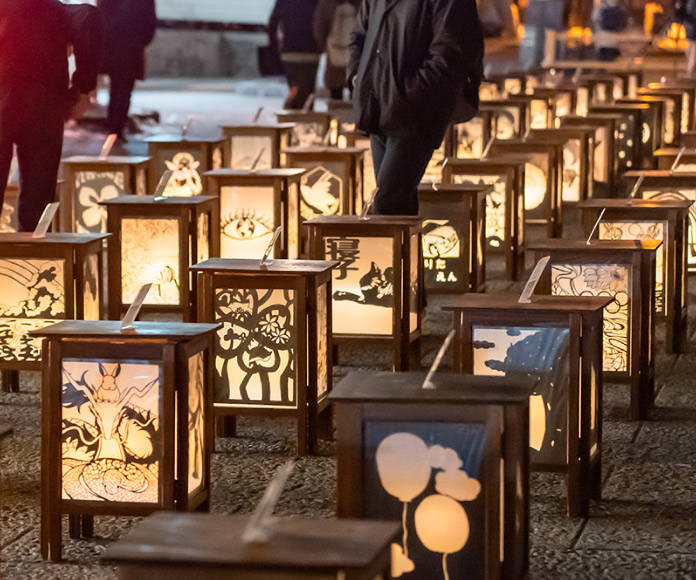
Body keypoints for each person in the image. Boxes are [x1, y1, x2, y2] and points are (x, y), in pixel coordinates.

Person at [348, 0, 484, 216]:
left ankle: (393, 249)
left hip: (416, 113)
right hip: (378, 107)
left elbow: (451, 51)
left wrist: (412, 94)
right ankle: (408, 249)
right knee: (397, 204)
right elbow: (359, 34)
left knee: (388, 203)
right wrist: (358, 78)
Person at [0, 0, 103, 232]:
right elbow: (87, 18)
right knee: (36, 207)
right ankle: (31, 262)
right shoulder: (51, 8)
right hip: (43, 107)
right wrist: (83, 88)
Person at [97, 0, 157, 141]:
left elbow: (101, 15)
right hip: (131, 49)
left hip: (114, 47)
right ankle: (116, 127)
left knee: (116, 89)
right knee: (124, 91)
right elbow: (150, 24)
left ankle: (112, 126)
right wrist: (140, 40)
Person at [269, 0, 322, 109]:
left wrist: (275, 47)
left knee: (294, 90)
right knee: (308, 92)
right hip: (311, 51)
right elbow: (322, 20)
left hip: (290, 51)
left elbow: (272, 23)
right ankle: (307, 120)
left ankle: (291, 117)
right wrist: (321, 45)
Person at [313, 0, 360, 100]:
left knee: (335, 95)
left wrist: (323, 47)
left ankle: (337, 114)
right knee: (356, 94)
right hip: (357, 57)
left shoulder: (327, 3)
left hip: (334, 53)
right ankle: (353, 115)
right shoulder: (363, 3)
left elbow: (319, 25)